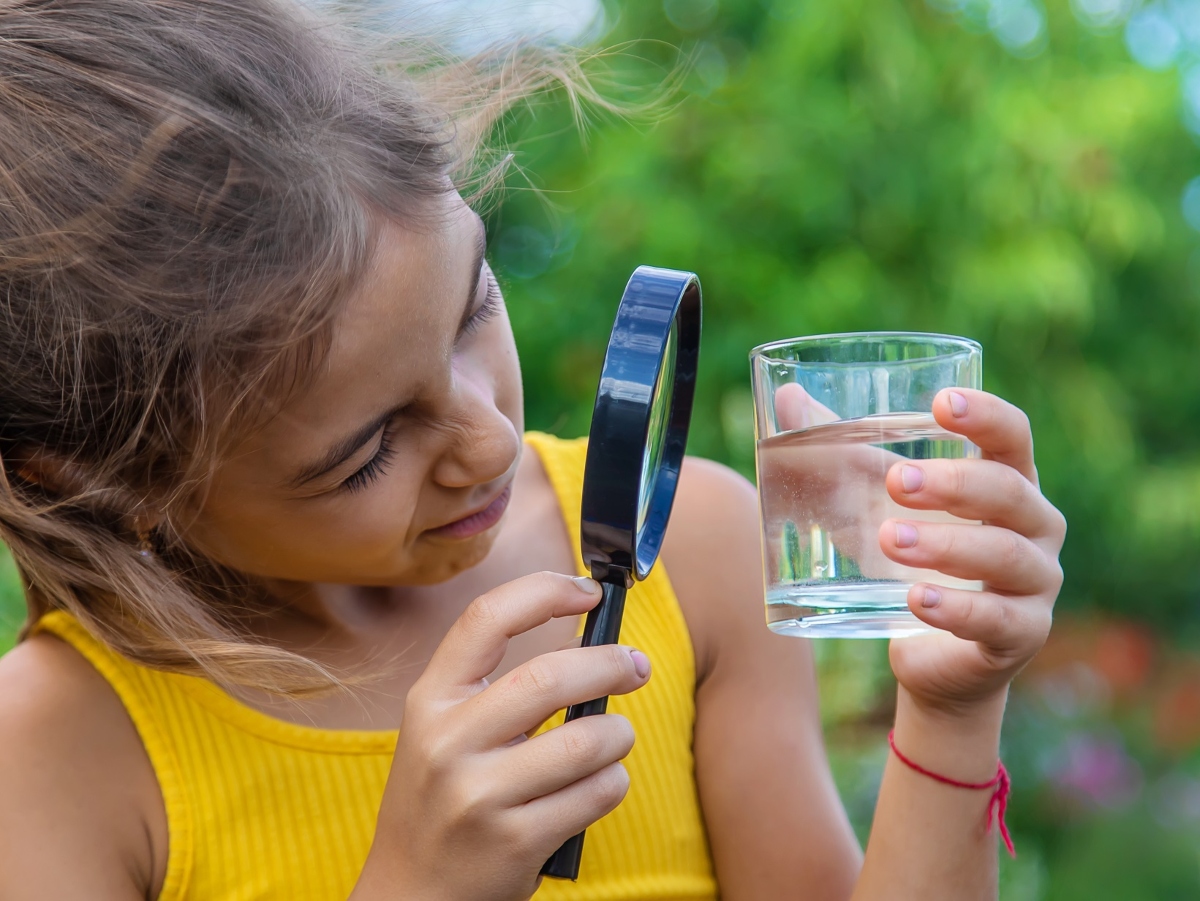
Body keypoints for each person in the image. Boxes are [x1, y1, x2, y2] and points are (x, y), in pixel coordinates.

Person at [0, 1, 1066, 899]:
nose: (489, 438)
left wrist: (953, 712)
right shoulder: (54, 755)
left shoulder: (694, 549)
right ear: (92, 479)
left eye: (472, 309)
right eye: (365, 451)